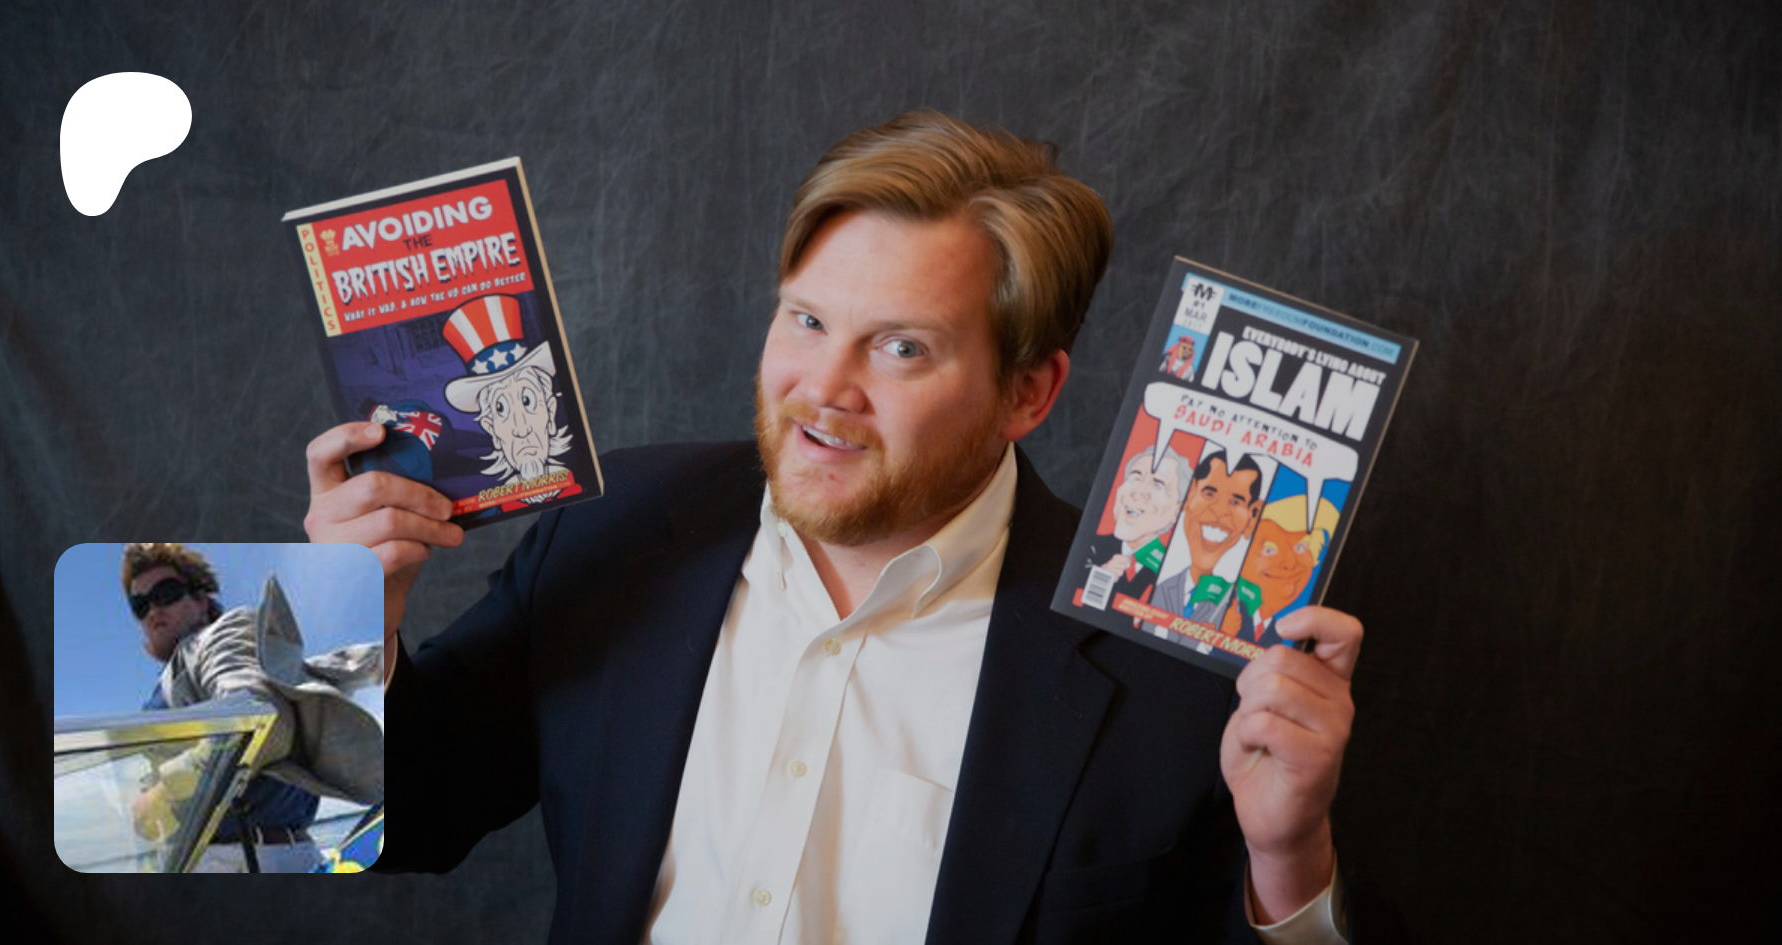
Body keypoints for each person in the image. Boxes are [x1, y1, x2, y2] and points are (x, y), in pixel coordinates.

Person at [305, 112, 1363, 942]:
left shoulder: (1172, 662)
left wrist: (1289, 863)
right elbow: (376, 822)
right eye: (807, 320)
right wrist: (339, 626)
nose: (824, 389)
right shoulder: (612, 530)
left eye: (902, 348)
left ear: (1028, 393)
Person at [122, 543, 384, 872]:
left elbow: (260, 718)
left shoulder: (217, 635)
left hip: (245, 858)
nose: (153, 610)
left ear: (201, 601)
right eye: (140, 605)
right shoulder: (168, 683)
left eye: (166, 593)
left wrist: (164, 791)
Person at [441, 293, 582, 509]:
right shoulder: (488, 507)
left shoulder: (582, 482)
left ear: (550, 409)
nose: (521, 429)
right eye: (501, 409)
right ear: (490, 428)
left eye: (527, 402)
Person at [1149, 450, 1268, 633]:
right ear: (1189, 494)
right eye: (1209, 493)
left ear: (1252, 516)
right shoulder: (1155, 589)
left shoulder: (1243, 612)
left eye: (1235, 502)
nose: (1219, 511)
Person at [1224, 495, 1342, 646]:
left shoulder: (1277, 635)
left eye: (1301, 548)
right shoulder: (1216, 608)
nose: (1289, 563)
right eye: (1269, 550)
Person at [1083, 444, 1185, 614]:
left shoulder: (1175, 576)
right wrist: (1101, 576)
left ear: (1177, 510)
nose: (1138, 492)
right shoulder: (1089, 548)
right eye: (1135, 478)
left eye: (1158, 484)